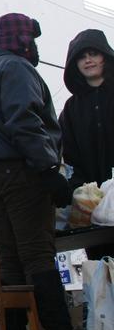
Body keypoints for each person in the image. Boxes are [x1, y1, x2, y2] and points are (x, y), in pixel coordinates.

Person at [0, 13, 74, 330]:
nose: (36, 47)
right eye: (33, 39)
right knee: (38, 255)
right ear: (23, 40)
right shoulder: (15, 68)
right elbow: (23, 121)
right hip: (16, 170)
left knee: (9, 259)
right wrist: (48, 169)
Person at [60, 29, 114, 258]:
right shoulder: (71, 109)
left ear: (105, 57)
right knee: (104, 266)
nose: (88, 60)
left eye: (94, 54)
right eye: (82, 57)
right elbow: (69, 156)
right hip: (94, 206)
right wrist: (79, 190)